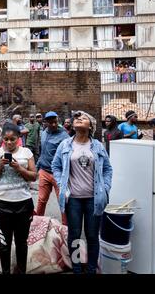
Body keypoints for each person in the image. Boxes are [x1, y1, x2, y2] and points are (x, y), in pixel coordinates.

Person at [52, 111, 112, 274]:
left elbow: (107, 168)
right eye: (76, 118)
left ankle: (91, 269)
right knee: (75, 236)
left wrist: (105, 188)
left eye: (83, 118)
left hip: (94, 199)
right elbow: (55, 166)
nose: (78, 119)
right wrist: (61, 184)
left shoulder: (98, 146)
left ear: (90, 125)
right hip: (73, 200)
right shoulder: (65, 145)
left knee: (92, 237)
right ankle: (77, 269)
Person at [0, 123, 37, 274]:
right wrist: (0, 166)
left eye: (12, 139)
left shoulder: (26, 152)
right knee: (4, 242)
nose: (9, 143)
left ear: (18, 138)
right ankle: (6, 271)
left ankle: (21, 271)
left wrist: (19, 168)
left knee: (22, 242)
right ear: (2, 138)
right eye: (6, 139)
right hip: (2, 203)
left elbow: (34, 176)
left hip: (24, 203)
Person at [35, 111, 69, 225]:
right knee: (41, 200)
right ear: (46, 123)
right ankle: (37, 224)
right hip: (44, 171)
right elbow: (42, 152)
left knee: (62, 201)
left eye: (55, 122)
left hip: (58, 174)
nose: (53, 125)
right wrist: (37, 167)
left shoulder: (64, 136)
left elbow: (68, 155)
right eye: (51, 122)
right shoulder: (44, 133)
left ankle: (66, 227)